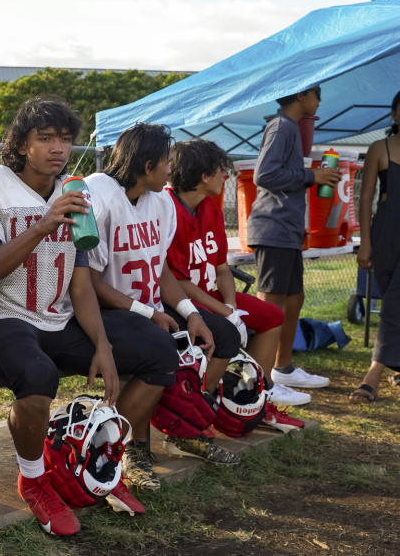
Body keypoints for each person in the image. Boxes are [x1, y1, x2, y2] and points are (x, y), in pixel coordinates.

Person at [0, 97, 178, 535]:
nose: (58, 148)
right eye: (46, 138)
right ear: (20, 144)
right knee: (38, 376)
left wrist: (103, 346)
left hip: (56, 318)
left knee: (159, 352)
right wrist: (40, 224)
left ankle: (94, 456)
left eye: (66, 139)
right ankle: (34, 479)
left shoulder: (75, 192)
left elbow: (79, 283)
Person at [85, 123, 242, 465]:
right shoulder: (99, 194)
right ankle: (126, 446)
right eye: (166, 162)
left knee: (224, 334)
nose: (171, 170)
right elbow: (89, 281)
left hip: (149, 308)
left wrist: (193, 313)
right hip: (107, 311)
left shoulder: (159, 203)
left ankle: (182, 426)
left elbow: (161, 269)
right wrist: (148, 313)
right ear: (147, 166)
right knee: (158, 347)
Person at [165, 139, 307, 432]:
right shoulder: (167, 209)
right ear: (204, 176)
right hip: (181, 299)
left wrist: (230, 306)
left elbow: (221, 267)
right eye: (221, 170)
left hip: (210, 294)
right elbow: (176, 280)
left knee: (272, 316)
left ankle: (254, 393)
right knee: (224, 332)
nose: (226, 176)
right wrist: (223, 312)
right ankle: (199, 406)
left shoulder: (209, 207)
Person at [247, 87, 341, 391]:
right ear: (300, 95)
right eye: (317, 93)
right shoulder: (281, 126)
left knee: (293, 299)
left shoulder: (290, 129)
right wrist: (312, 177)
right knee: (271, 305)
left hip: (286, 230)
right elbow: (264, 175)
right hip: (273, 228)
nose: (320, 100)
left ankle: (282, 368)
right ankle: (257, 379)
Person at [351, 90, 400, 403]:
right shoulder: (379, 148)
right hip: (384, 234)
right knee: (393, 297)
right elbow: (365, 197)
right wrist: (365, 243)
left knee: (394, 304)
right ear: (395, 114)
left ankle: (374, 373)